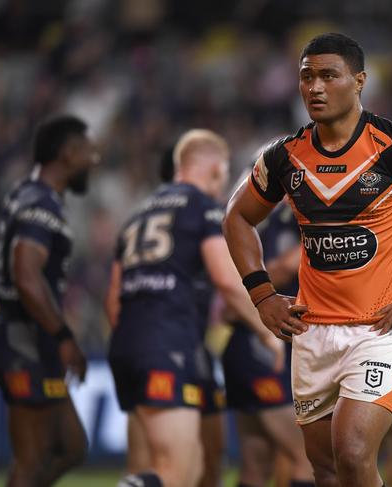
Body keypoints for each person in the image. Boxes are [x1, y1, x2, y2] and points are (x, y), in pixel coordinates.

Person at [222, 33, 392, 487]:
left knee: (353, 451)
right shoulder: (284, 156)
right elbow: (237, 219)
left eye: (329, 75)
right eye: (307, 77)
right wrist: (263, 295)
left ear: (359, 81)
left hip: (378, 330)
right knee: (326, 469)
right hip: (311, 332)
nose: (315, 88)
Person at [104, 129, 283, 487]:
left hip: (128, 345)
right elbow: (228, 281)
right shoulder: (202, 208)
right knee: (178, 471)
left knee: (181, 463)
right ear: (216, 169)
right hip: (168, 343)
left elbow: (113, 299)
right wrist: (267, 331)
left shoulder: (137, 215)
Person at [0, 115, 99, 486]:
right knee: (32, 459)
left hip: (30, 337)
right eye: (87, 152)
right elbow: (26, 273)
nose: (93, 161)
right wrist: (62, 334)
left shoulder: (21, 193)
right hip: (24, 341)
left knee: (71, 446)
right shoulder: (42, 204)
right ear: (67, 154)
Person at [222, 167, 313, 487]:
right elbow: (231, 297)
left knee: (256, 461)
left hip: (250, 349)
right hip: (260, 349)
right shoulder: (266, 225)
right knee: (305, 458)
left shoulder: (269, 224)